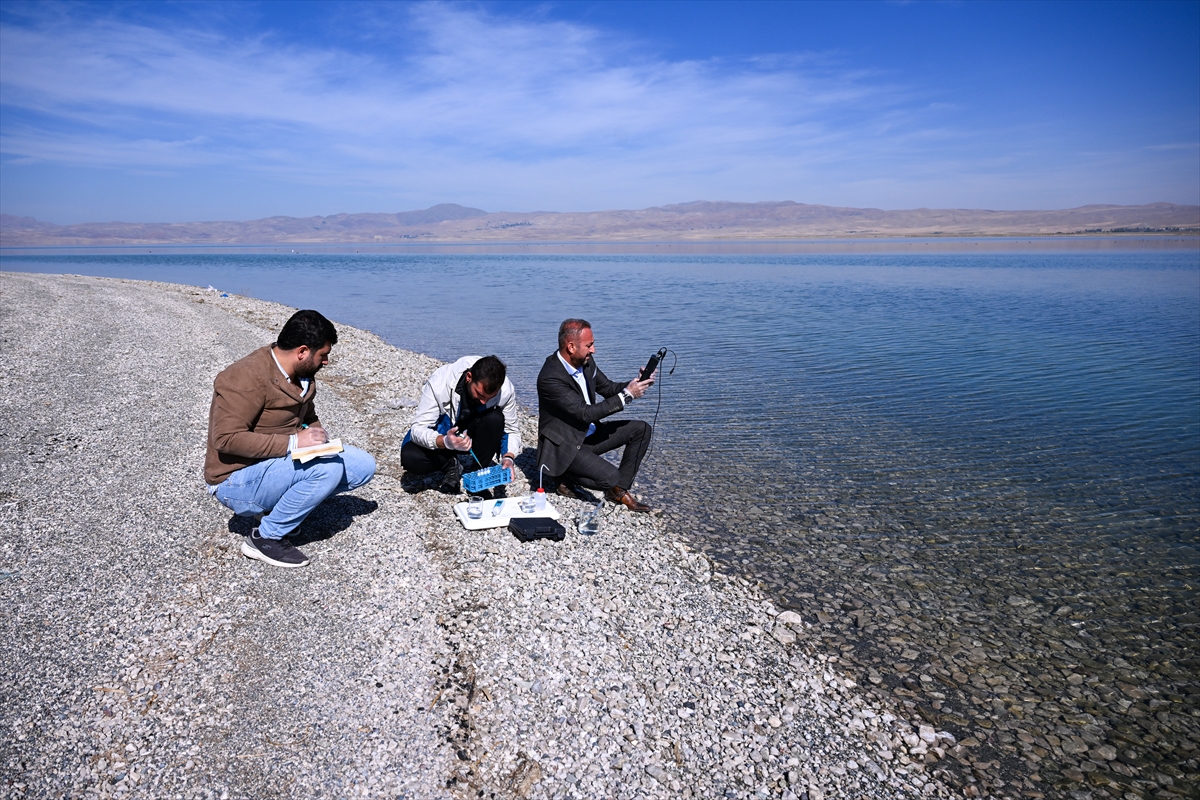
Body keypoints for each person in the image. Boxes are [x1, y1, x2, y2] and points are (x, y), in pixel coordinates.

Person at [204, 310, 376, 568]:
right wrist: (296, 442)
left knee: (363, 466)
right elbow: (226, 439)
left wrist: (318, 438)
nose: (326, 361)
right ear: (303, 351)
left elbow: (308, 416)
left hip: (276, 461)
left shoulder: (302, 375)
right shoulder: (243, 377)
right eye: (323, 355)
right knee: (327, 469)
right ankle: (265, 537)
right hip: (235, 479)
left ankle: (278, 508)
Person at [536, 318, 655, 512]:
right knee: (611, 478)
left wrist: (636, 383)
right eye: (589, 345)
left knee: (641, 429)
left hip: (587, 435)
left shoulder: (585, 362)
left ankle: (618, 490)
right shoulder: (550, 377)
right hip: (565, 445)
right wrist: (628, 395)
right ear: (571, 347)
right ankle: (563, 475)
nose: (593, 350)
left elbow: (608, 388)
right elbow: (585, 413)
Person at [401, 355, 521, 494]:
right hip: (444, 435)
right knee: (410, 457)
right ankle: (450, 465)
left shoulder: (505, 390)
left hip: (475, 434)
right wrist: (445, 441)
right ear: (469, 377)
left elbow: (511, 430)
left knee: (495, 418)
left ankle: (478, 472)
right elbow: (418, 429)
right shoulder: (440, 381)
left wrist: (508, 457)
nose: (484, 402)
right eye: (480, 394)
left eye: (490, 398)